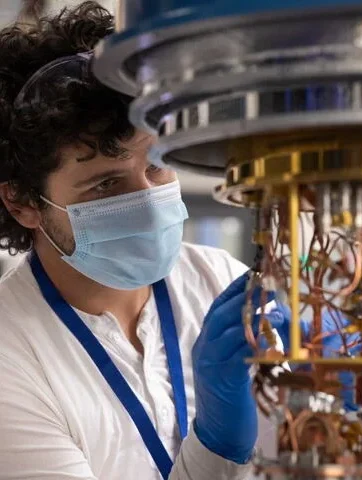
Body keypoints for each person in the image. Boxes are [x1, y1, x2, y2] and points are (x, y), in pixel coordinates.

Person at [0, 3, 290, 479]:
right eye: (106, 185)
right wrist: (218, 446)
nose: (150, 198)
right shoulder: (12, 355)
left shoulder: (218, 280)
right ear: (22, 203)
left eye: (156, 165)